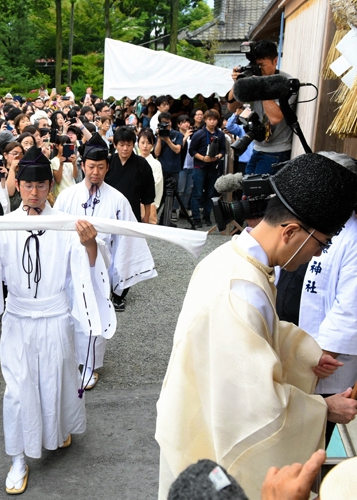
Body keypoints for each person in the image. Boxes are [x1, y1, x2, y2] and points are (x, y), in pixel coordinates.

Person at [155, 153, 357, 499]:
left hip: (196, 417)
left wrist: (305, 355)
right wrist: (324, 408)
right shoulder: (240, 292)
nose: (317, 256)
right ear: (291, 231)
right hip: (210, 441)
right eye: (320, 245)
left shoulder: (232, 259)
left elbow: (263, 335)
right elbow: (256, 411)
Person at [0, 146, 115, 494]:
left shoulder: (64, 223)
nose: (34, 192)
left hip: (56, 314)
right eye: (28, 185)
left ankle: (58, 430)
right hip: (18, 319)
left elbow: (89, 264)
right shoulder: (3, 223)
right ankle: (17, 457)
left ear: (50, 186)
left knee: (57, 379)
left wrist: (90, 245)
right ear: (18, 185)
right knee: (17, 392)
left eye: (42, 185)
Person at [54, 134, 156, 386]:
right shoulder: (68, 196)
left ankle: (90, 365)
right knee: (68, 314)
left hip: (99, 267)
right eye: (91, 167)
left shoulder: (118, 199)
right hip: (69, 267)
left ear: (107, 167)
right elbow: (55, 234)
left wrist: (119, 274)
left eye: (101, 167)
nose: (96, 172)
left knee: (94, 313)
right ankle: (67, 362)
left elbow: (127, 237)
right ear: (84, 165)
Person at [298, 153, 357, 448]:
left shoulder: (353, 234)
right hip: (302, 354)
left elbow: (350, 308)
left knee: (311, 444)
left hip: (325, 361)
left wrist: (317, 355)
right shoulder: (318, 223)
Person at [228, 40, 296, 175]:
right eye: (256, 65)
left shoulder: (285, 82)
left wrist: (260, 84)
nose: (259, 69)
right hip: (257, 147)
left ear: (275, 61)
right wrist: (238, 83)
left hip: (277, 151)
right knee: (247, 193)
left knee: (260, 194)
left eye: (262, 65)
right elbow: (231, 106)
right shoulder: (253, 78)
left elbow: (275, 118)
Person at [105, 127, 155, 223]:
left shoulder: (142, 164)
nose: (125, 148)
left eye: (129, 145)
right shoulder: (108, 162)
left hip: (132, 210)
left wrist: (146, 216)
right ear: (115, 145)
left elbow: (148, 193)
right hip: (109, 210)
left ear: (133, 145)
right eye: (121, 145)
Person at [187, 109, 227, 227]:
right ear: (205, 120)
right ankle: (196, 218)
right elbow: (192, 150)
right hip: (200, 166)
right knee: (197, 193)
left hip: (214, 167)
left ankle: (207, 216)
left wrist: (218, 156)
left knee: (210, 193)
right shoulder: (199, 134)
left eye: (214, 119)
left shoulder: (220, 134)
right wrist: (203, 158)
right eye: (209, 119)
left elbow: (223, 149)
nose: (212, 122)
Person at [153, 112, 184, 222]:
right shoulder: (159, 136)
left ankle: (165, 219)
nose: (167, 125)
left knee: (171, 195)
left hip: (174, 169)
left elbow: (177, 150)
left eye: (168, 122)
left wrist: (168, 140)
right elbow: (156, 153)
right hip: (162, 169)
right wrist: (160, 138)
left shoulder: (178, 135)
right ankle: (153, 217)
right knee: (160, 195)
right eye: (164, 123)